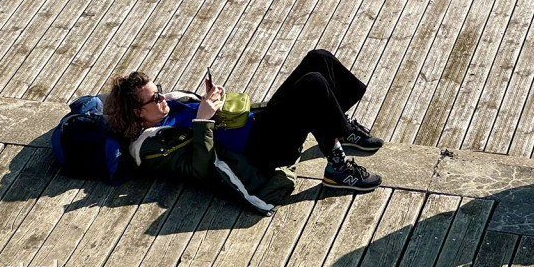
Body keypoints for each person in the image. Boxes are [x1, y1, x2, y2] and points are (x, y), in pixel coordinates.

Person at [104, 49, 383, 214]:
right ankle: (337, 170)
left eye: (160, 91)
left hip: (255, 124)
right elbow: (197, 169)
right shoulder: (149, 148)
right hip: (260, 151)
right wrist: (203, 119)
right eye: (155, 98)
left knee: (318, 59)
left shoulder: (169, 108)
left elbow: (208, 119)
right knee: (313, 84)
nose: (162, 98)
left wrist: (214, 104)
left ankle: (340, 129)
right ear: (137, 113)